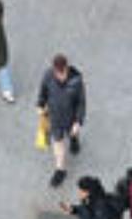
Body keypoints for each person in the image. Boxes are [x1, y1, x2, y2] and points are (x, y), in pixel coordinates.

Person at [37, 54, 86, 189]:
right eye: (56, 73)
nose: (59, 76)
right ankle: (60, 170)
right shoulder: (48, 75)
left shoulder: (76, 81)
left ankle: (74, 139)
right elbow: (43, 91)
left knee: (72, 133)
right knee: (58, 142)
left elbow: (81, 103)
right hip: (54, 117)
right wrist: (40, 105)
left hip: (70, 117)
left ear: (67, 68)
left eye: (61, 73)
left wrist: (78, 121)